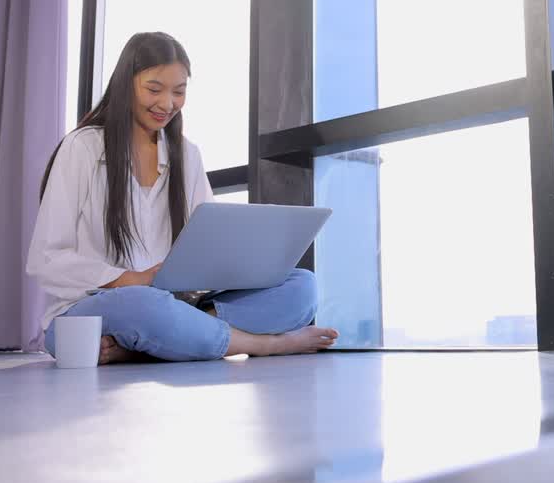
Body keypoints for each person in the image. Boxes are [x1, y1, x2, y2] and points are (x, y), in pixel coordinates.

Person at [28, 32, 337, 363]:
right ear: (125, 84)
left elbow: (209, 243)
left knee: (301, 286)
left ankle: (142, 344)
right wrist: (132, 280)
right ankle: (265, 344)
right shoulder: (84, 147)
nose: (167, 104)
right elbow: (47, 259)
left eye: (179, 92)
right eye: (154, 89)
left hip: (174, 304)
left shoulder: (187, 156)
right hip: (91, 311)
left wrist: (235, 268)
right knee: (141, 304)